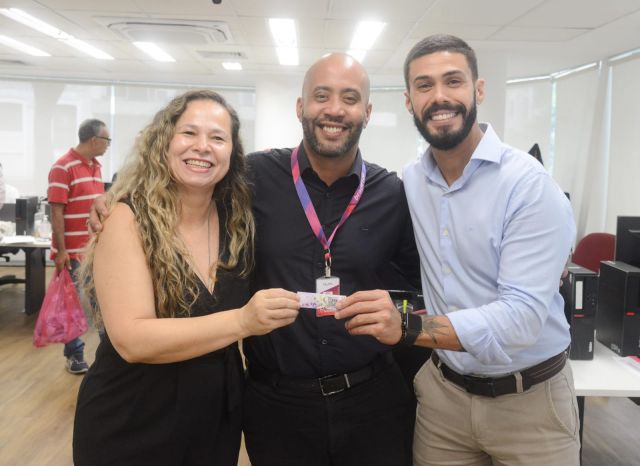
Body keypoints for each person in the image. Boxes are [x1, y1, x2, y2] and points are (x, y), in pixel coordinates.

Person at [89, 54, 420, 466]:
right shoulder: (253, 177)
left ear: (367, 113)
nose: (334, 109)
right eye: (321, 96)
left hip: (372, 402)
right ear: (301, 107)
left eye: (349, 98)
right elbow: (184, 184)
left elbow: (416, 289)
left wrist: (400, 315)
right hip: (276, 406)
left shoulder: (392, 193)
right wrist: (115, 200)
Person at [335, 34, 579, 466]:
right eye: (424, 86)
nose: (439, 97)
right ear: (409, 101)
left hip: (530, 404)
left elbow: (521, 319)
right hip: (443, 399)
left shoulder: (527, 186)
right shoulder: (412, 182)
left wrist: (409, 327)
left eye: (453, 81)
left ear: (478, 90)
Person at [73, 90, 300, 466]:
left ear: (232, 152)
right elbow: (132, 340)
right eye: (189, 133)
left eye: (217, 137)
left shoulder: (237, 220)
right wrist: (243, 321)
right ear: (164, 141)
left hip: (214, 420)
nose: (202, 146)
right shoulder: (127, 219)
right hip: (131, 419)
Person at [47, 118, 110, 374]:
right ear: (94, 140)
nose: (108, 144)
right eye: (106, 140)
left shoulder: (96, 166)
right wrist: (61, 251)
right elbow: (56, 212)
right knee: (70, 305)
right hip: (71, 252)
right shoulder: (63, 166)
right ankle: (74, 355)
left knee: (101, 301)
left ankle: (109, 352)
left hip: (93, 250)